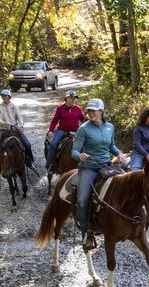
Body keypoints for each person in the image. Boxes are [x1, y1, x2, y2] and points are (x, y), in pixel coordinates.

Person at [71, 98, 124, 250]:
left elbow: (111, 145)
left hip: (107, 165)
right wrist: (79, 156)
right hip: (89, 167)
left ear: (101, 111)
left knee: (129, 185)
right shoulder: (84, 128)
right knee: (82, 199)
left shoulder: (110, 127)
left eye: (93, 110)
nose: (90, 113)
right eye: (89, 110)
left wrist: (119, 153)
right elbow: (74, 150)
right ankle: (87, 233)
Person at [0, 89, 35, 171]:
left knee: (27, 144)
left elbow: (19, 116)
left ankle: (29, 160)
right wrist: (3, 123)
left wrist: (21, 125)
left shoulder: (14, 106)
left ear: (9, 97)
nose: (4, 97)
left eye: (5, 96)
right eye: (2, 96)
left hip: (14, 129)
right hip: (3, 130)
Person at [44, 90, 86, 173]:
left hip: (75, 131)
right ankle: (50, 166)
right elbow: (54, 121)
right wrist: (51, 131)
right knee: (53, 144)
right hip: (62, 130)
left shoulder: (78, 109)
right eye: (71, 98)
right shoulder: (60, 108)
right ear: (66, 98)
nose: (73, 100)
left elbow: (83, 120)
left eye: (74, 98)